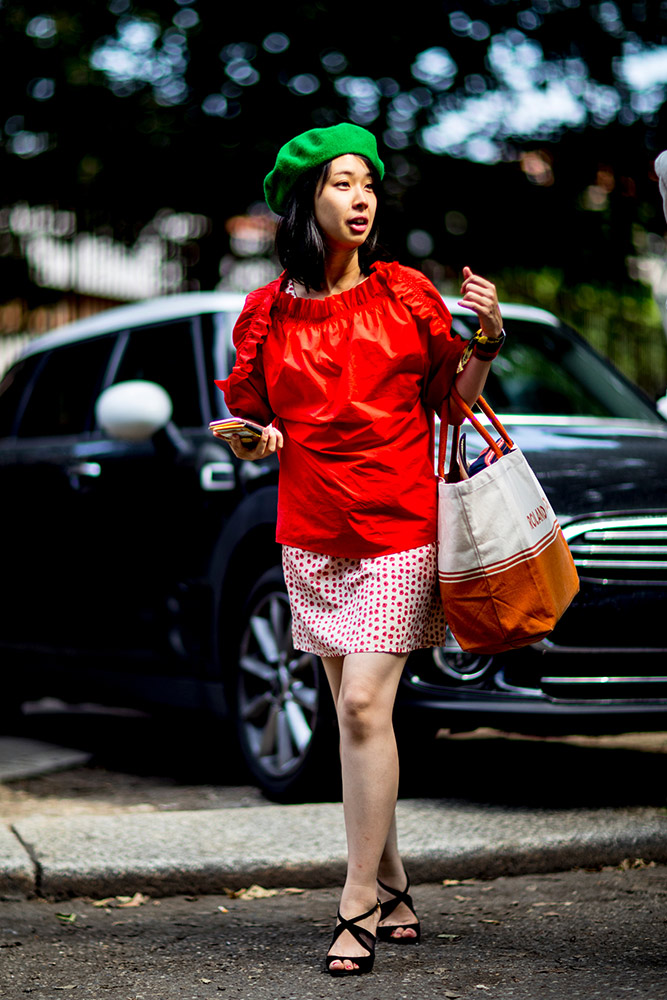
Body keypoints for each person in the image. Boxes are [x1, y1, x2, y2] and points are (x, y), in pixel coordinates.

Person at [215, 123, 504, 976]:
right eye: (341, 184)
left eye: (367, 184)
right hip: (311, 533)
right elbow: (248, 416)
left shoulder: (405, 294)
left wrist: (483, 337)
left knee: (358, 712)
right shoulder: (265, 314)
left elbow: (454, 399)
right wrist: (249, 439)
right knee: (356, 727)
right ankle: (399, 885)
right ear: (306, 202)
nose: (360, 198)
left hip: (396, 530)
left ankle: (355, 902)